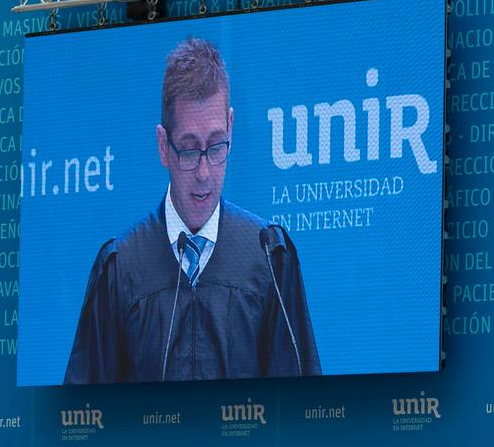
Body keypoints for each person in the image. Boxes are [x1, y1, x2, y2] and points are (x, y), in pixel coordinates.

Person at [64, 36, 319, 384]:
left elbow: (300, 411)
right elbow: (83, 417)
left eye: (216, 147)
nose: (203, 173)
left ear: (231, 127)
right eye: (188, 150)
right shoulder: (121, 267)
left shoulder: (268, 257)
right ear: (163, 146)